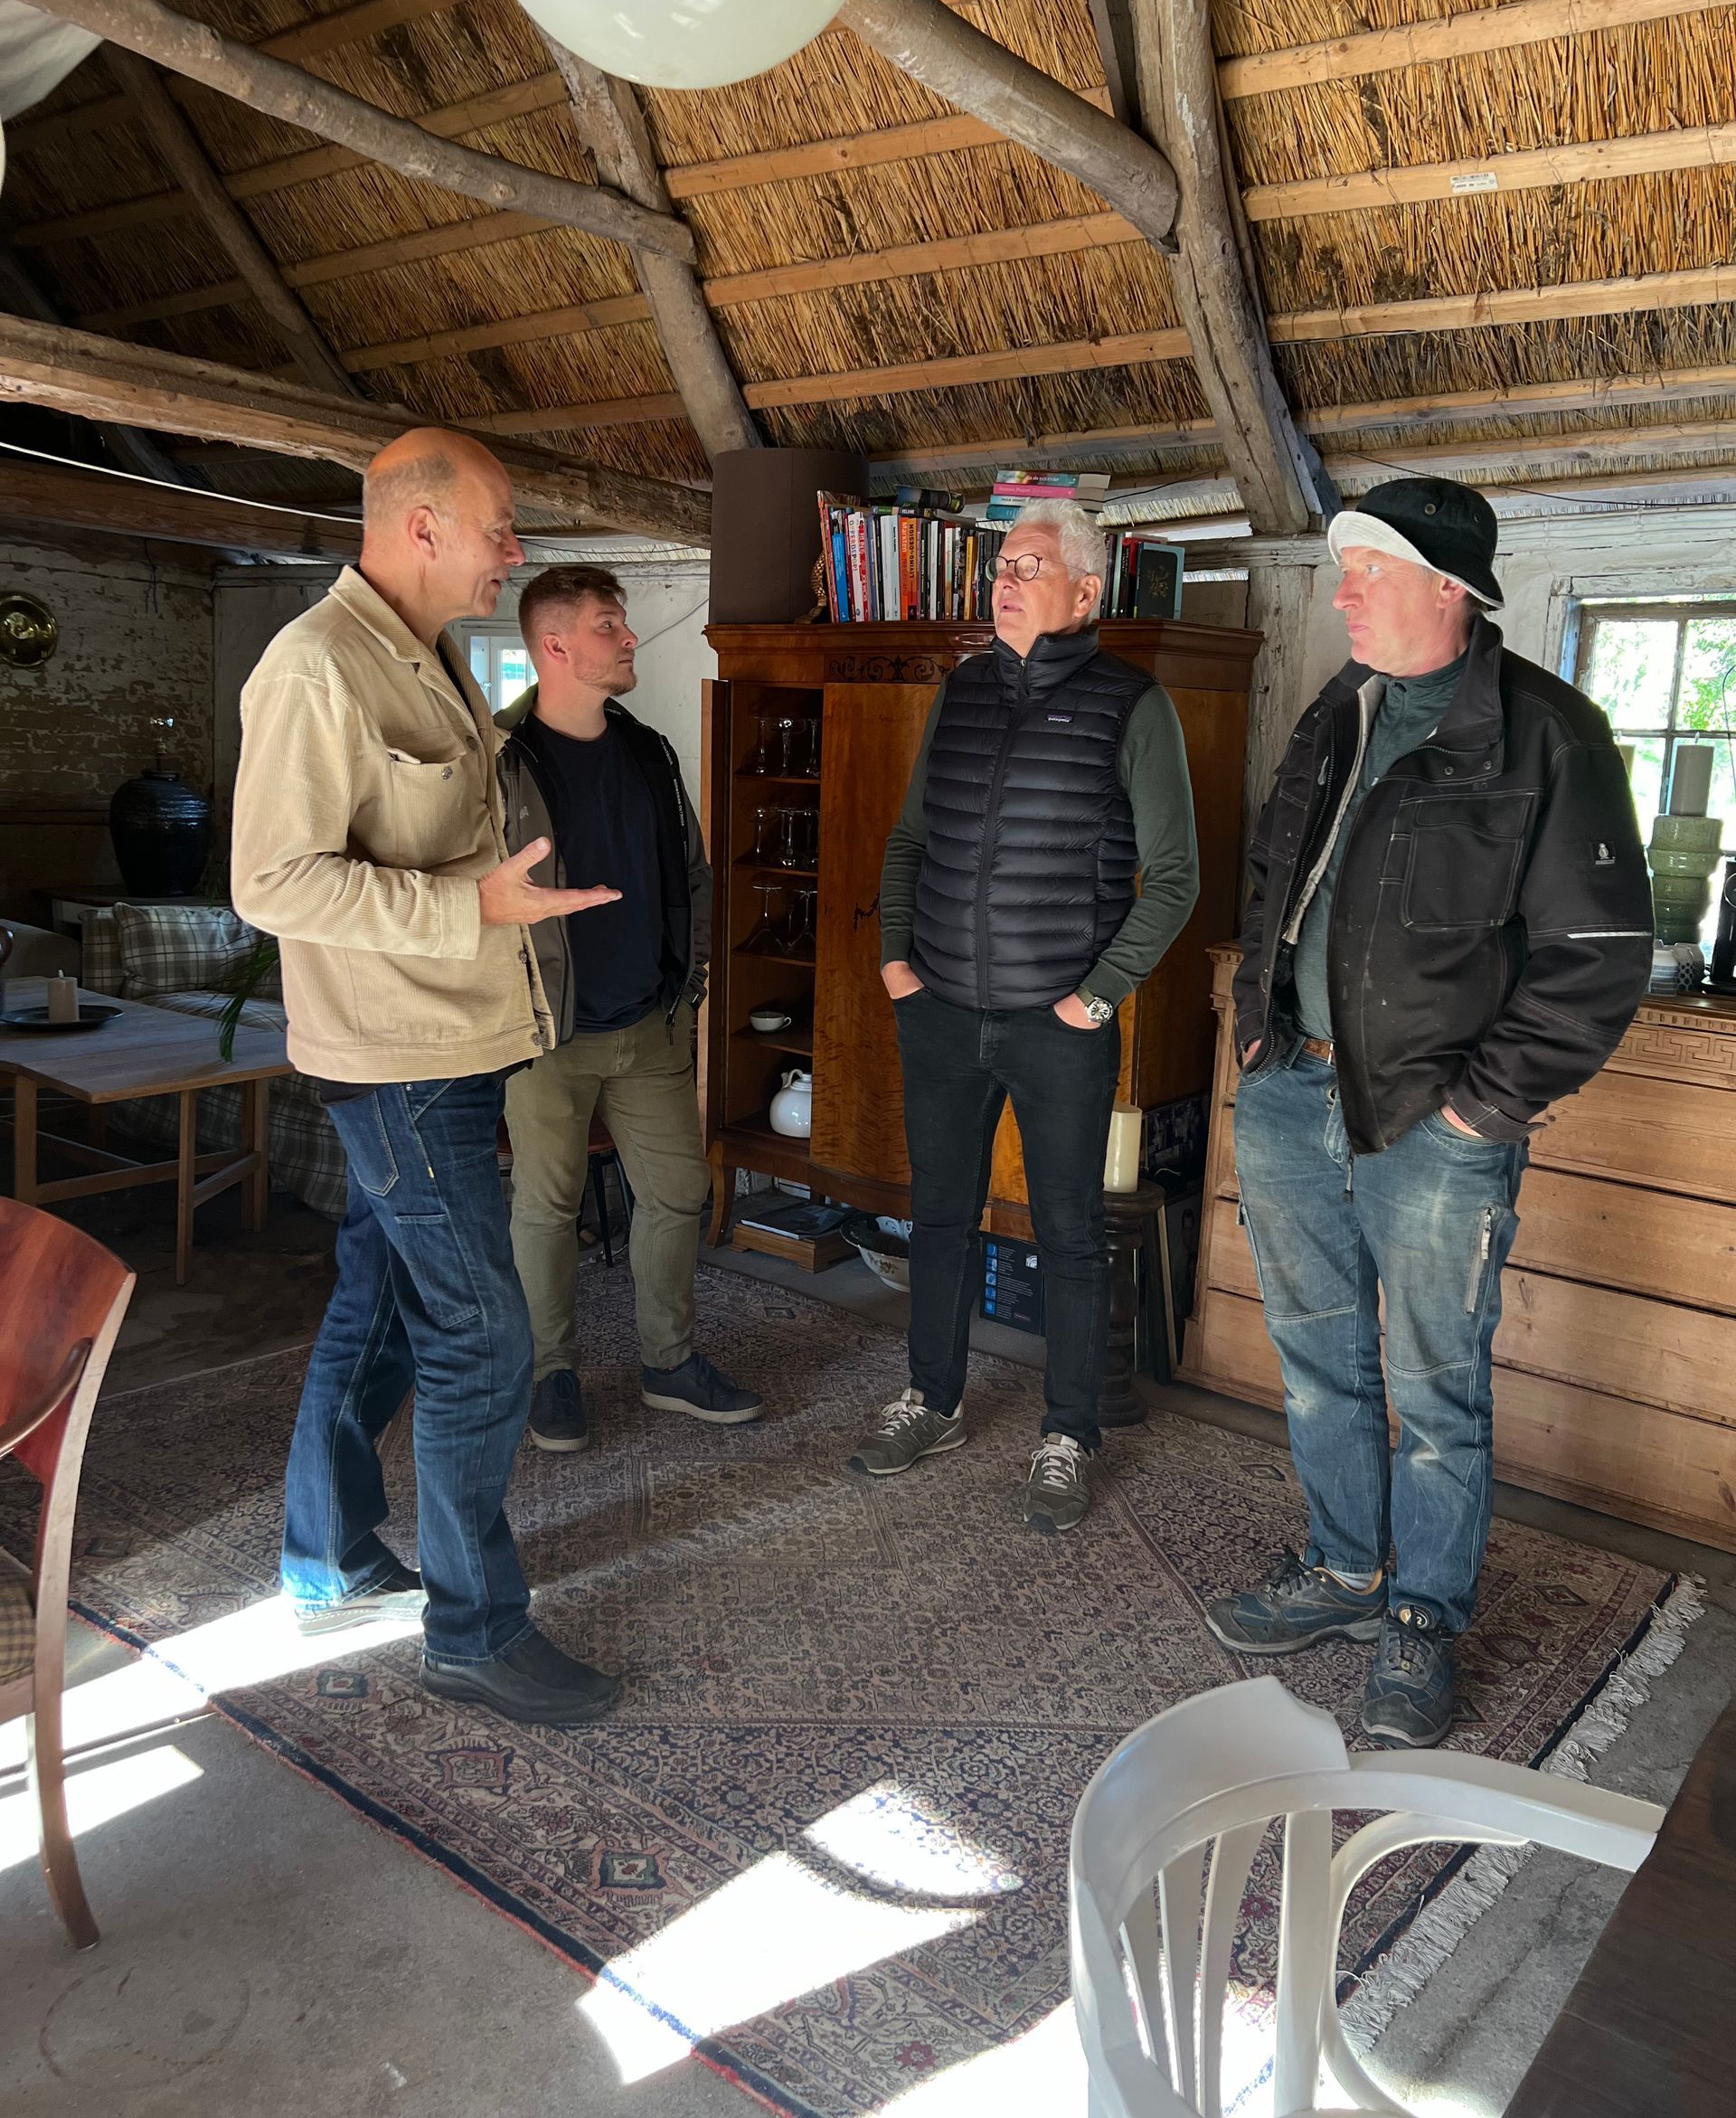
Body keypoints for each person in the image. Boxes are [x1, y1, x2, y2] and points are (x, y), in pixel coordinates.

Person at [1205, 477, 1652, 1747]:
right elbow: (1271, 882)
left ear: (1450, 589)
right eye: (1343, 569)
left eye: (1367, 570)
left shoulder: (1547, 735)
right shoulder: (1336, 715)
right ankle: (1347, 1576)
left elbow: (1601, 952)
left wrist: (1480, 1113)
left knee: (1436, 1386)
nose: (1340, 591)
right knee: (1315, 1359)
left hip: (1432, 1122)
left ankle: (1422, 1621)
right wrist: (1255, 1024)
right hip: (1295, 1088)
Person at [231, 428, 626, 1728]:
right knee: (486, 1332)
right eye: (498, 527)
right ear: (420, 527)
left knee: (385, 1306)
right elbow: (270, 882)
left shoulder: (430, 653)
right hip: (395, 1065)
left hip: (444, 1050)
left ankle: (326, 1550)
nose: (513, 554)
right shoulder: (315, 669)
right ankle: (472, 1629)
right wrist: (475, 903)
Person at [845, 502, 1199, 1533]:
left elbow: (1172, 880)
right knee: (942, 1215)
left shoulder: (1136, 705)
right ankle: (933, 1397)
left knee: (1069, 1232)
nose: (1005, 580)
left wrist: (1097, 998)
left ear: (1085, 595)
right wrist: (896, 964)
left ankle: (1068, 1432)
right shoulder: (961, 689)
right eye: (1002, 564)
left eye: (1030, 565)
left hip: (1059, 1028)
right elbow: (911, 839)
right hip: (942, 1013)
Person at [497, 566, 762, 1447]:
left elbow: (692, 871)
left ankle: (669, 1362)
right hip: (546, 1033)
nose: (631, 637)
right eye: (611, 625)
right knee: (546, 1207)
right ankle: (550, 1375)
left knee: (679, 1193)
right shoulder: (501, 763)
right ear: (557, 646)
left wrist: (687, 988)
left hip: (649, 1024)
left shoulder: (649, 750)